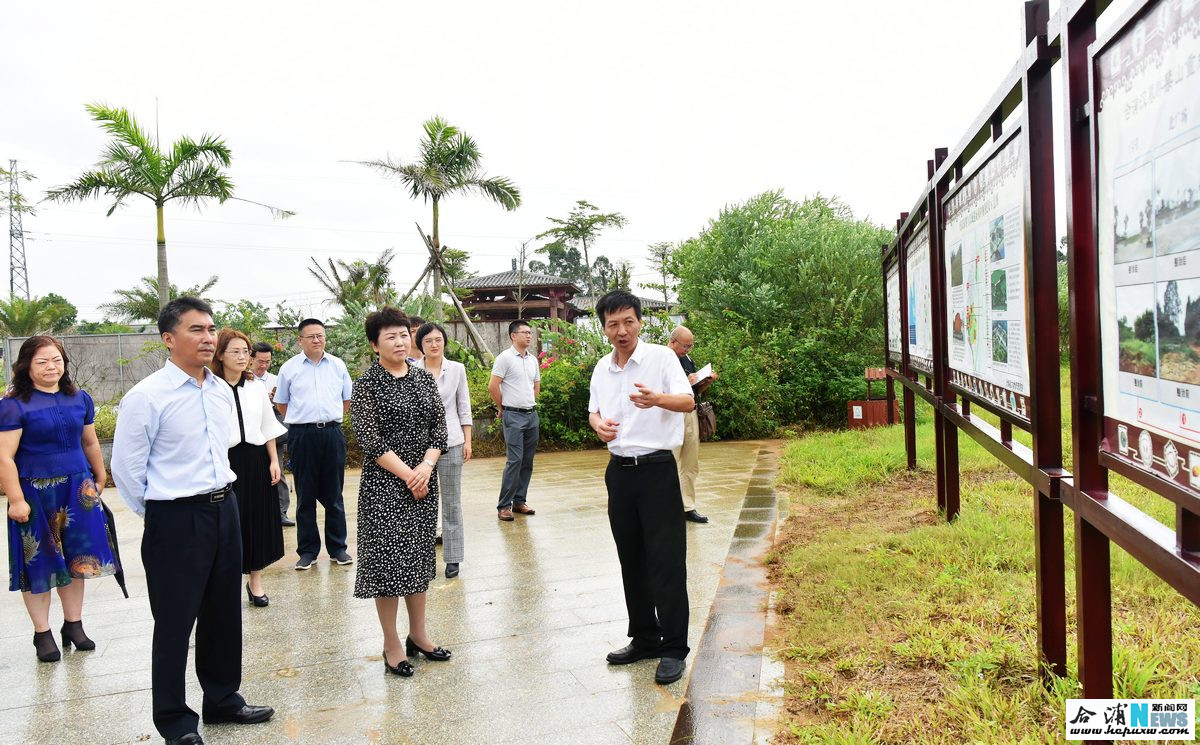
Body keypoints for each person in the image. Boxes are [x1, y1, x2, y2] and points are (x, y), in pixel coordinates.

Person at [112, 297, 273, 745]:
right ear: (169, 339)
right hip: (175, 519)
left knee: (224, 613)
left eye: (210, 329)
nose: (207, 338)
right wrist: (163, 516)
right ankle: (175, 721)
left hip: (225, 508)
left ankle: (222, 699)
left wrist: (217, 505)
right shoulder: (146, 397)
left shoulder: (220, 391)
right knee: (175, 622)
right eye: (196, 330)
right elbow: (126, 469)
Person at [587, 290, 695, 686]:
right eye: (612, 324)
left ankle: (673, 648)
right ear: (604, 328)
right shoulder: (602, 368)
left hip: (656, 471)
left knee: (665, 561)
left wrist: (658, 399)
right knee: (631, 559)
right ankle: (645, 638)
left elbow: (687, 402)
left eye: (628, 321)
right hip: (619, 472)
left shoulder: (662, 358)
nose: (621, 330)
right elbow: (594, 410)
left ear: (640, 322)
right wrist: (597, 425)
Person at [0, 336, 116, 663]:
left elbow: (91, 442)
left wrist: (99, 474)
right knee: (38, 564)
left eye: (57, 360)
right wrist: (15, 499)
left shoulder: (79, 398)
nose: (51, 367)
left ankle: (74, 625)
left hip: (78, 489)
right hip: (34, 493)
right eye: (42, 362)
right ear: (26, 366)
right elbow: (4, 457)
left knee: (79, 559)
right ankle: (42, 633)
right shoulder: (13, 404)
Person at [350, 307, 451, 678]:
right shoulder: (366, 385)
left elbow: (439, 430)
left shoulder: (424, 379)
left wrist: (426, 467)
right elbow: (369, 439)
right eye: (390, 336)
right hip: (384, 486)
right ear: (375, 344)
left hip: (423, 483)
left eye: (404, 334)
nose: (400, 341)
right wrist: (411, 475)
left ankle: (419, 635)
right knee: (388, 566)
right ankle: (392, 643)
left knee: (418, 560)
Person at [214, 330, 287, 607]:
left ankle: (255, 581)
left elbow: (267, 426)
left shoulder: (255, 387)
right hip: (225, 460)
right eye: (235, 351)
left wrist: (273, 460)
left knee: (257, 519)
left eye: (245, 351)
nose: (242, 357)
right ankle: (228, 579)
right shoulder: (212, 388)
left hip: (257, 459)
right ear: (220, 355)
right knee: (230, 522)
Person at [273, 319, 354, 570]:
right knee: (305, 496)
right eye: (311, 336)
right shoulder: (289, 368)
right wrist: (304, 420)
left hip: (331, 434)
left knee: (334, 495)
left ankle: (338, 548)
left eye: (320, 335)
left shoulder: (337, 365)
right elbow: (281, 404)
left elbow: (346, 400)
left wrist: (327, 419)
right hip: (302, 436)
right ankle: (307, 551)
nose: (317, 340)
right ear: (300, 341)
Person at [415, 322, 471, 579]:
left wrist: (467, 440)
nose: (434, 344)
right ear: (421, 345)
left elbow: (464, 406)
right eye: (428, 341)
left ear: (444, 342)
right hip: (419, 447)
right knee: (422, 503)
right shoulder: (411, 370)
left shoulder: (457, 369)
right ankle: (424, 558)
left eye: (438, 339)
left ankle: (453, 557)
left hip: (452, 442)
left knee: (451, 502)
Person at [488, 319, 540, 521]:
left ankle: (520, 501)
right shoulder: (504, 358)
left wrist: (530, 401)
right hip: (513, 415)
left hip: (531, 415)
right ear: (513, 335)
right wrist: (503, 408)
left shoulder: (533, 360)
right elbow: (493, 386)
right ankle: (504, 506)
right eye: (524, 332)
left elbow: (536, 385)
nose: (529, 335)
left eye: (530, 332)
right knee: (515, 460)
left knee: (527, 461)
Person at [667, 326, 718, 524]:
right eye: (685, 346)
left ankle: (688, 506)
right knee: (669, 461)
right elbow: (660, 390)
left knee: (690, 461)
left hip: (690, 412)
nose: (688, 349)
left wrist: (707, 381)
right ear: (673, 342)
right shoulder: (663, 359)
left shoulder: (687, 359)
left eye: (691, 346)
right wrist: (685, 382)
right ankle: (667, 506)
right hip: (671, 414)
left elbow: (696, 390)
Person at [251, 341, 294, 527]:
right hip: (251, 431)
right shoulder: (244, 379)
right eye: (260, 361)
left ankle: (281, 512)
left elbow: (287, 406)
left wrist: (274, 401)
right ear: (251, 359)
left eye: (267, 361)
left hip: (272, 431)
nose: (263, 365)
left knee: (277, 471)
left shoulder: (276, 380)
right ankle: (258, 512)